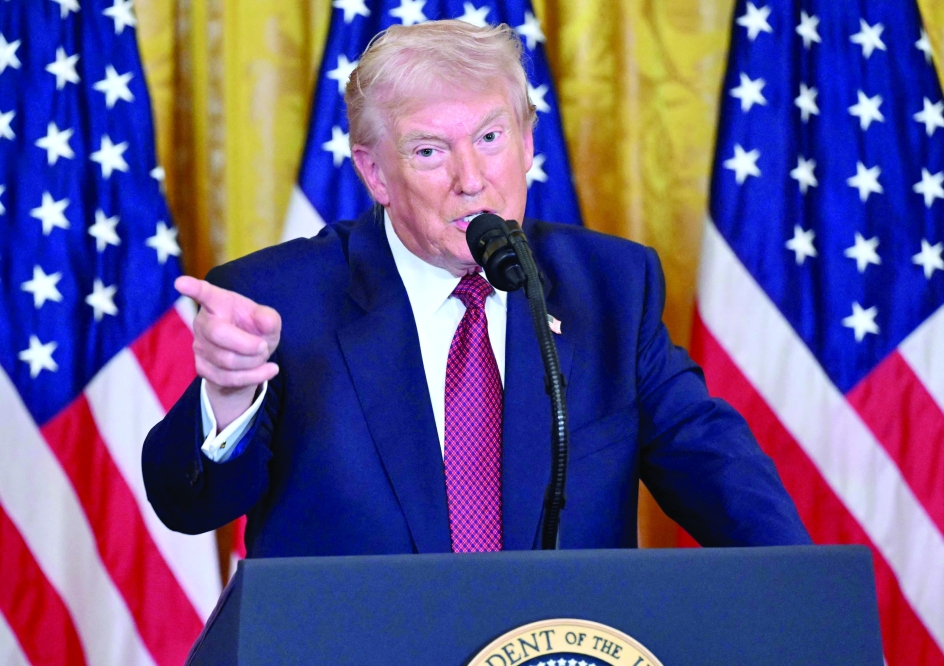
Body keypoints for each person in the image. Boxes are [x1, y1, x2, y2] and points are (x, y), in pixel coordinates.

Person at [142, 20, 810, 556]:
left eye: (491, 138)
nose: (472, 179)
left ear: (526, 143)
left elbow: (713, 465)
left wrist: (806, 601)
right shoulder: (280, 301)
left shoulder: (609, 287)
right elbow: (188, 505)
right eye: (430, 150)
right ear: (374, 173)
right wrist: (228, 397)